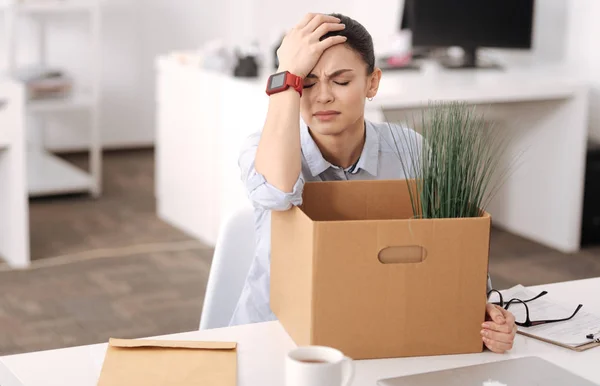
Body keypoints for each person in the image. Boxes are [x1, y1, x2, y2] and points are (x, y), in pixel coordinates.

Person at [230, 12, 517, 354]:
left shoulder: (411, 149)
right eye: (306, 83)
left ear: (372, 83)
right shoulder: (263, 149)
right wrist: (285, 75)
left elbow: (449, 244)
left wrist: (482, 309)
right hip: (274, 337)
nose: (321, 96)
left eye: (340, 81)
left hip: (375, 331)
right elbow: (277, 194)